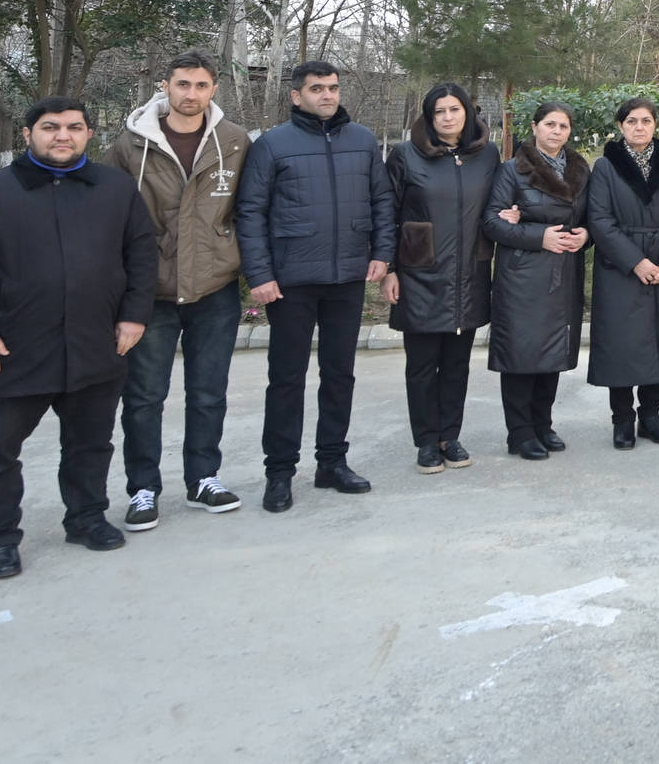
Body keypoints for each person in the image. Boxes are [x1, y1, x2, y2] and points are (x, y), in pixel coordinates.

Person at [0, 97, 156, 578]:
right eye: (50, 127)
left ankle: (86, 518)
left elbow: (141, 257)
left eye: (74, 127)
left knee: (90, 445)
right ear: (28, 134)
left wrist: (134, 317)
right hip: (12, 350)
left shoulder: (115, 189)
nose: (63, 136)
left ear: (89, 134)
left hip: (96, 344)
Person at [236, 60, 396, 513]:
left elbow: (382, 200)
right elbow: (251, 211)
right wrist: (260, 274)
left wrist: (382, 252)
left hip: (347, 277)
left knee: (339, 375)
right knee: (286, 379)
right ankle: (279, 473)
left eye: (333, 88)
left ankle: (332, 462)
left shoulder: (362, 141)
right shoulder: (272, 145)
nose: (327, 95)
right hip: (292, 281)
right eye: (317, 88)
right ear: (297, 95)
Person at [102, 51, 251, 532]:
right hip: (152, 291)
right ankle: (143, 488)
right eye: (183, 84)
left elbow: (248, 209)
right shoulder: (132, 144)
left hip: (214, 288)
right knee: (144, 396)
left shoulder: (234, 141)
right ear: (165, 86)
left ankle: (204, 478)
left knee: (208, 392)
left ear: (214, 89)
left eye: (201, 85)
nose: (191, 94)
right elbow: (107, 214)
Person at [384, 83, 499, 474]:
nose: (448, 117)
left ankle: (450, 436)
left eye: (455, 109)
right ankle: (426, 441)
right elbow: (387, 213)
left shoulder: (487, 154)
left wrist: (510, 215)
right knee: (421, 365)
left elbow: (497, 204)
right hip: (419, 274)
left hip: (469, 273)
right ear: (428, 117)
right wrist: (389, 269)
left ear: (467, 112)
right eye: (439, 111)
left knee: (457, 364)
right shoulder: (405, 155)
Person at [483, 101, 591, 460]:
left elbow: (590, 217)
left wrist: (586, 235)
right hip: (523, 276)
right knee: (521, 354)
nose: (556, 131)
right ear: (534, 127)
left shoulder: (580, 170)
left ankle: (543, 424)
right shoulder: (512, 171)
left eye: (563, 126)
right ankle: (520, 432)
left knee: (552, 353)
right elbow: (492, 222)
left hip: (564, 274)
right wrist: (538, 236)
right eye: (549, 124)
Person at [586, 96, 659, 449]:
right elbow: (600, 220)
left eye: (646, 121)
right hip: (621, 268)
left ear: (655, 125)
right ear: (621, 126)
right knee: (621, 344)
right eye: (632, 121)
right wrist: (636, 262)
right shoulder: (606, 167)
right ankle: (622, 420)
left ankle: (651, 416)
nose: (639, 127)